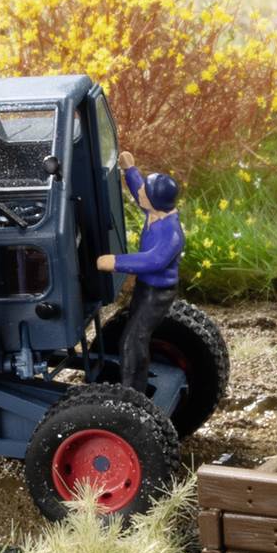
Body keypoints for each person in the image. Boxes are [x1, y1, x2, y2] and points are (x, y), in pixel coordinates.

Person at [95, 154, 183, 395]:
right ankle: (129, 382)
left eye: (147, 191)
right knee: (132, 332)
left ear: (155, 200)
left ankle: (133, 394)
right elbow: (140, 191)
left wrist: (116, 262)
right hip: (145, 288)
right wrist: (130, 170)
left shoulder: (171, 232)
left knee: (133, 340)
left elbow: (153, 260)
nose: (141, 192)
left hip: (158, 293)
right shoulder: (153, 212)